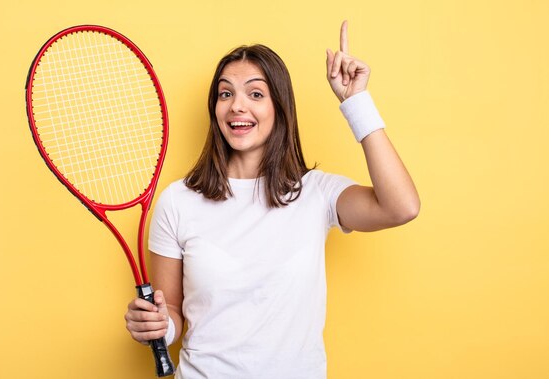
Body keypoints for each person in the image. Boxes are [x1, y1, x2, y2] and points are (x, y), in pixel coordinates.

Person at [125, 20, 420, 378]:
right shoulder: (178, 201)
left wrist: (356, 102)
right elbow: (171, 310)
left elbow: (401, 207)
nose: (237, 106)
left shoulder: (316, 193)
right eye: (225, 93)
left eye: (255, 94)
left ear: (279, 107)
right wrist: (157, 327)